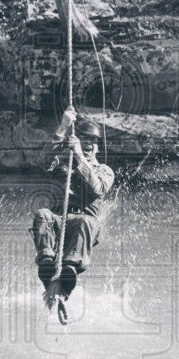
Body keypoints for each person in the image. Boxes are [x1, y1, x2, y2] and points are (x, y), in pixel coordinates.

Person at [30, 108, 115, 321]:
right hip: (59, 219)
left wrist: (78, 156)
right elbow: (41, 163)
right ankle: (47, 263)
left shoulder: (104, 170)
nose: (88, 144)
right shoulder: (62, 163)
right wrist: (62, 127)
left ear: (97, 147)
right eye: (84, 139)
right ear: (76, 139)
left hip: (83, 225)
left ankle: (69, 271)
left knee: (85, 221)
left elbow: (97, 188)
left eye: (93, 142)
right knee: (42, 215)